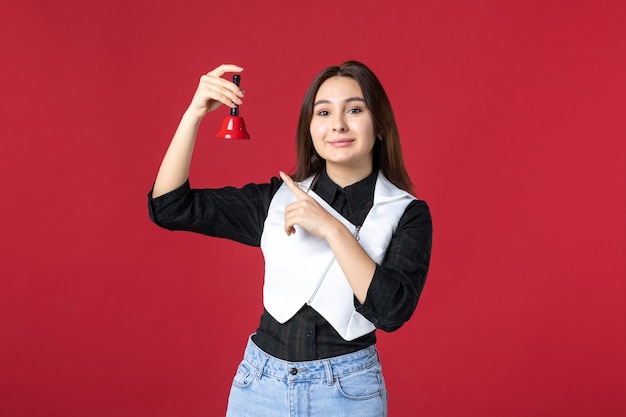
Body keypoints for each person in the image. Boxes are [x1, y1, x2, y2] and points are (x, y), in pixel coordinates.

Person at [148, 61, 432, 417]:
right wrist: (193, 116)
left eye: (355, 109)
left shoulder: (406, 212)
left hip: (348, 392)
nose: (338, 124)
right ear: (310, 128)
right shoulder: (276, 199)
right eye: (324, 111)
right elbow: (169, 208)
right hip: (259, 386)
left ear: (379, 126)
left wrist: (332, 229)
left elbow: (391, 312)